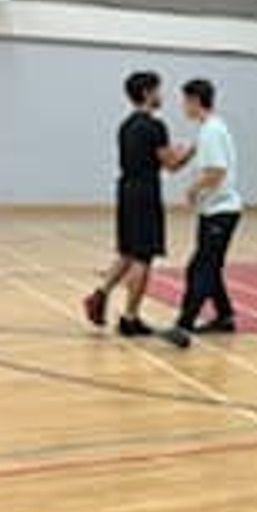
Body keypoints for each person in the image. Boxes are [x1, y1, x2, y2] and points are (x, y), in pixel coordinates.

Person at [83, 72, 192, 336]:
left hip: (126, 190)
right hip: (145, 193)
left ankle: (99, 295)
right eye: (157, 90)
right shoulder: (155, 126)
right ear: (146, 93)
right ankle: (130, 318)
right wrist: (189, 152)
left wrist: (168, 154)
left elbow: (148, 156)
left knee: (128, 251)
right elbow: (171, 165)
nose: (160, 95)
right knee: (143, 256)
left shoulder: (126, 125)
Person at [162, 79, 243, 348]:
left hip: (222, 211)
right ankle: (224, 316)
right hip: (213, 211)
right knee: (210, 267)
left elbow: (216, 171)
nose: (183, 106)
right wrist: (182, 156)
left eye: (185, 101)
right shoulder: (208, 129)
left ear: (196, 101)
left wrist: (192, 190)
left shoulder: (211, 130)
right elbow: (195, 157)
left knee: (200, 268)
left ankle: (183, 325)